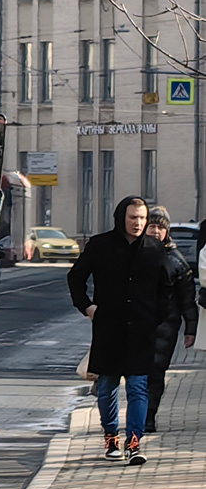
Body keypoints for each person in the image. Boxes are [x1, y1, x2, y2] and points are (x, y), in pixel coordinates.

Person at [67, 196, 172, 464]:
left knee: (138, 387)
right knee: (108, 387)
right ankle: (111, 440)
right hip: (109, 328)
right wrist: (88, 307)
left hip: (142, 330)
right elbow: (76, 276)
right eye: (132, 218)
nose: (138, 223)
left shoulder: (154, 248)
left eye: (142, 218)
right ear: (121, 218)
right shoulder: (101, 245)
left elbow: (165, 287)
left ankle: (134, 443)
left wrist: (156, 316)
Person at [145, 206, 197, 432]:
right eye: (152, 226)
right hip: (138, 322)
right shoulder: (134, 254)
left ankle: (149, 417)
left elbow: (187, 297)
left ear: (167, 232)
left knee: (155, 371)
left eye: (160, 227)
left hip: (166, 324)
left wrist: (190, 328)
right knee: (137, 373)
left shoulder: (176, 261)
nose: (155, 231)